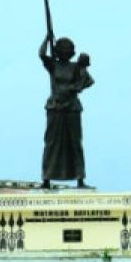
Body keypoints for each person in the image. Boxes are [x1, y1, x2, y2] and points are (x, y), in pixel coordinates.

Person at [39, 34, 94, 188]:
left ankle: (80, 178)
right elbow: (42, 54)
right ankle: (46, 178)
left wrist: (76, 86)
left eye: (67, 49)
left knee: (75, 143)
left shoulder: (76, 67)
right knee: (51, 142)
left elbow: (89, 82)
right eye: (62, 49)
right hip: (55, 107)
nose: (64, 52)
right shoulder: (53, 65)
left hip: (71, 108)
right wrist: (47, 38)